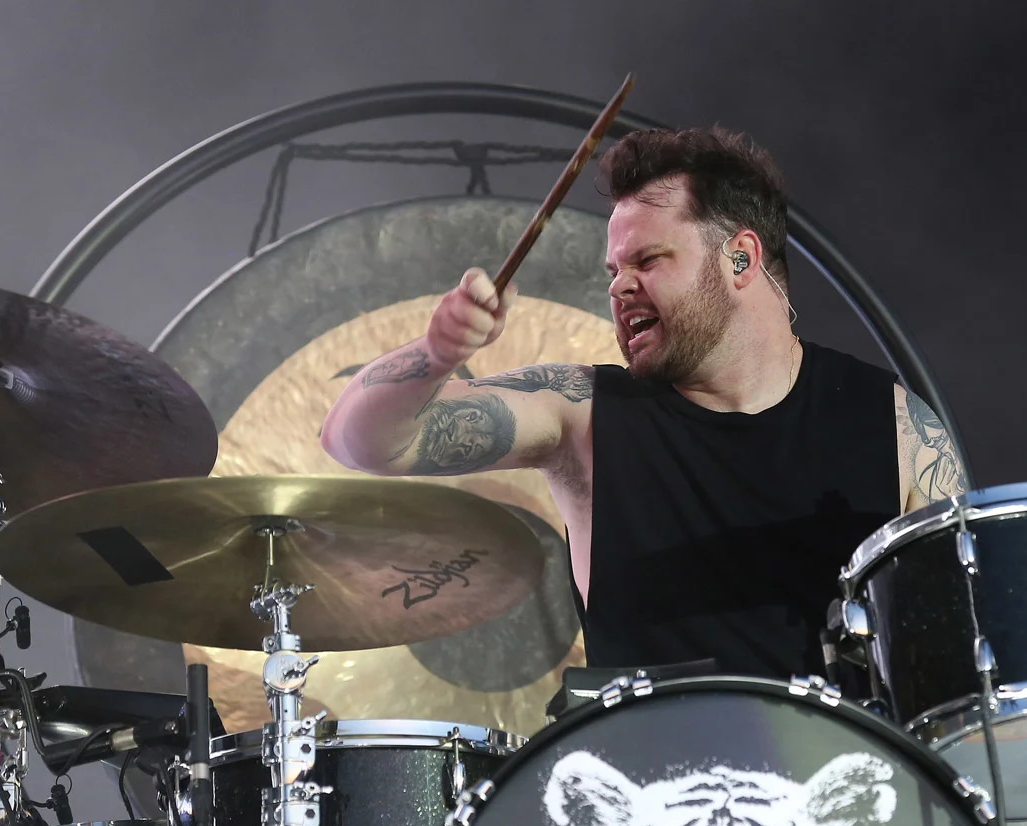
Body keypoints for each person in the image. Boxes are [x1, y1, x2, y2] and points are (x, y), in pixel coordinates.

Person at [321, 126, 965, 679]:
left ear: (740, 258)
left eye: (648, 260)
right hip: (644, 802)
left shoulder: (896, 425)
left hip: (847, 797)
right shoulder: (582, 413)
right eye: (612, 272)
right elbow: (358, 441)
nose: (621, 286)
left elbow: (963, 653)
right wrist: (436, 353)